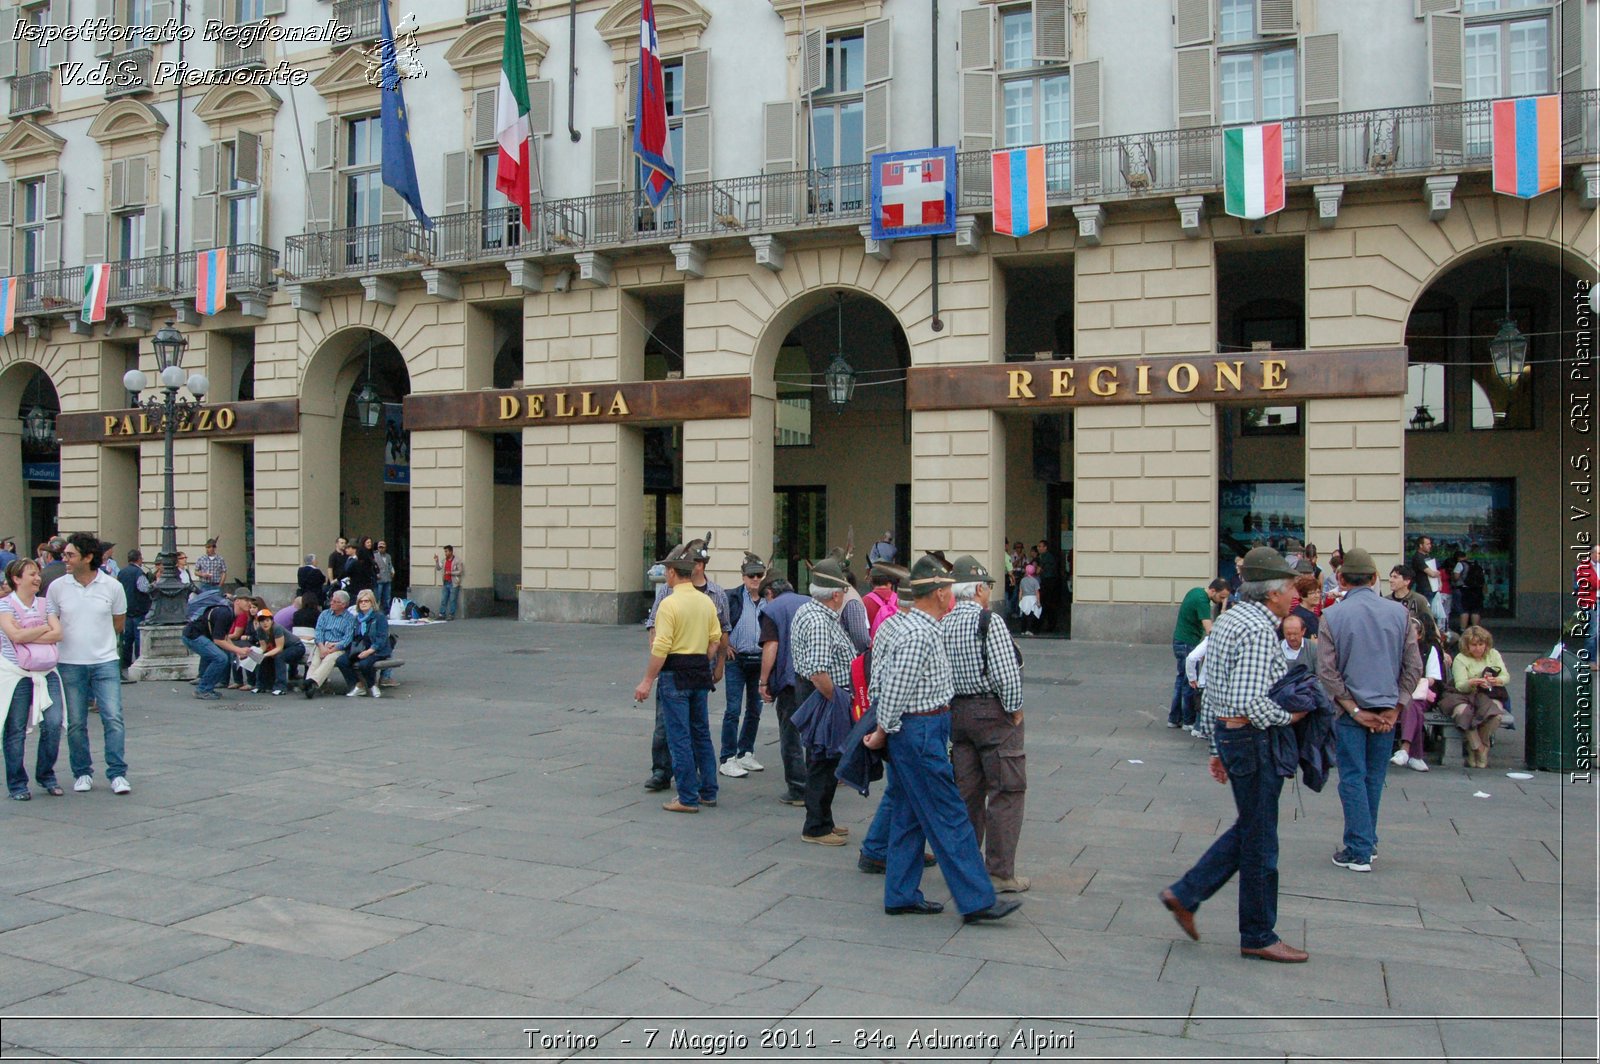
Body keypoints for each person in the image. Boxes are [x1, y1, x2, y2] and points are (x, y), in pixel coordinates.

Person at [1160, 546, 1309, 962]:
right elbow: (1248, 700)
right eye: (1289, 587)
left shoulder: (1230, 619)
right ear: (1273, 593)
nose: (1294, 594)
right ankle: (1258, 934)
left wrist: (1215, 745)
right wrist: (1294, 714)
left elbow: (1214, 689)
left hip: (1233, 737)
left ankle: (1187, 894)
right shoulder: (1260, 628)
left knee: (1253, 828)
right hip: (1253, 740)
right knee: (1261, 840)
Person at [864, 555, 1020, 924]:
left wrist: (887, 729)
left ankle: (900, 893)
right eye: (948, 589)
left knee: (907, 813)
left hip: (918, 729)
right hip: (920, 730)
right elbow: (896, 688)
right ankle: (977, 899)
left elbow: (881, 678)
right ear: (937, 593)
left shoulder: (908, 626)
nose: (952, 595)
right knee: (951, 816)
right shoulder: (920, 632)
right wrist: (882, 731)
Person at [1318, 548, 1422, 874]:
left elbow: (1327, 672)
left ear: (1342, 579)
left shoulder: (1332, 615)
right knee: (1374, 778)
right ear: (1376, 578)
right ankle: (1367, 841)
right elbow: (1413, 666)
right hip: (1387, 708)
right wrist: (1398, 706)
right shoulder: (1399, 613)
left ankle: (1359, 848)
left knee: (1352, 777)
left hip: (1352, 710)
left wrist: (1351, 707)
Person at [943, 556, 1028, 893]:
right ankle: (1000, 872)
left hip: (958, 714)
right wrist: (1015, 709)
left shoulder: (945, 623)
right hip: (992, 714)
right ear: (979, 589)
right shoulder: (988, 622)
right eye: (988, 586)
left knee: (967, 794)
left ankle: (965, 868)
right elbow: (1006, 674)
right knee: (1007, 790)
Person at [633, 542, 723, 813]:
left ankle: (687, 796)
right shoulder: (706, 601)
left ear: (673, 573)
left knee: (679, 737)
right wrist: (702, 660)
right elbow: (715, 640)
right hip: (698, 673)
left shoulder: (669, 604)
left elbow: (660, 648)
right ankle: (708, 790)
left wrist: (647, 680)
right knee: (701, 733)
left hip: (675, 674)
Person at [47, 533, 130, 795]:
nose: (65, 559)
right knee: (75, 722)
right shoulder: (58, 587)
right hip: (69, 661)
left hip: (104, 660)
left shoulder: (112, 586)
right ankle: (82, 772)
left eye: (70, 555)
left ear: (88, 557)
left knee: (113, 717)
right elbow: (53, 623)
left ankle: (117, 774)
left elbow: (119, 624)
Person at [789, 557, 857, 845]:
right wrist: (838, 701)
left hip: (821, 693)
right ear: (836, 594)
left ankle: (823, 819)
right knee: (822, 761)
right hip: (825, 694)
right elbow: (819, 672)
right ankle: (815, 827)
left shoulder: (811, 611)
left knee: (824, 759)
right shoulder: (819, 620)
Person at [1, 558, 65, 800]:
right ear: (16, 579)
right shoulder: (4, 605)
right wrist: (41, 629)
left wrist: (28, 632)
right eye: (31, 574)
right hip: (17, 674)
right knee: (15, 729)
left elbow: (58, 633)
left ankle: (46, 774)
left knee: (54, 723)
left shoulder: (44, 603)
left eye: (37, 573)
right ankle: (17, 783)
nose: (38, 578)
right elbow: (14, 635)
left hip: (47, 671)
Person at [757, 574, 810, 808]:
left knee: (790, 735)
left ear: (769, 593)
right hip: (816, 677)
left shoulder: (773, 610)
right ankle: (819, 783)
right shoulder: (810, 602)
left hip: (790, 681)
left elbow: (771, 645)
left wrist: (763, 681)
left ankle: (798, 787)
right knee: (815, 733)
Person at [719, 553, 768, 779]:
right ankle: (727, 757)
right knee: (733, 709)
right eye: (751, 576)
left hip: (759, 659)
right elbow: (719, 621)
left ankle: (745, 751)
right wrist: (724, 645)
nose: (755, 579)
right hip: (737, 660)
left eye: (759, 575)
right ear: (743, 577)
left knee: (755, 709)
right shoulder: (733, 597)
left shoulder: (769, 597)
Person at [1441, 625, 1508, 769]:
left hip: (1488, 693)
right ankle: (1480, 750)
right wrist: (1472, 682)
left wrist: (1497, 680)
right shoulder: (1460, 658)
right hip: (1462, 694)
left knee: (1495, 714)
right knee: (1463, 713)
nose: (1478, 648)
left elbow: (1505, 676)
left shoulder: (1493, 654)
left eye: (1481, 644)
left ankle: (1476, 747)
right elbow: (1460, 685)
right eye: (1473, 645)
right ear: (1467, 645)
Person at [1170, 579, 1229, 729]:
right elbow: (1210, 630)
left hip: (1180, 640)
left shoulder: (1195, 591)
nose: (1222, 601)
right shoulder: (1202, 601)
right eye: (1221, 597)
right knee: (1191, 682)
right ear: (1213, 591)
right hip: (1187, 643)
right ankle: (1189, 721)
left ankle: (1174, 717)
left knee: (1180, 680)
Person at [1391, 617, 1439, 773]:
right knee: (1412, 707)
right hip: (1397, 691)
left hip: (1420, 692)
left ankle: (1405, 748)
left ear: (1419, 635)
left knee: (1411, 704)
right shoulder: (1395, 649)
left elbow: (1434, 677)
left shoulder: (1428, 649)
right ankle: (1415, 755)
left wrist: (1417, 679)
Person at [183, 589, 249, 700]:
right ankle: (203, 689)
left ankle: (207, 687)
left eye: (250, 600)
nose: (249, 603)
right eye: (246, 600)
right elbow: (218, 640)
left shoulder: (230, 612)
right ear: (237, 601)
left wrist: (236, 650)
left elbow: (225, 636)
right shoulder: (225, 613)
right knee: (220, 658)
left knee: (219, 657)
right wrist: (238, 650)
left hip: (196, 635)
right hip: (193, 636)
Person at [303, 590, 357, 698]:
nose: (331, 603)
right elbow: (319, 631)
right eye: (332, 600)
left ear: (343, 605)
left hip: (338, 647)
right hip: (322, 644)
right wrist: (322, 647)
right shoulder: (324, 614)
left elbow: (347, 639)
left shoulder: (350, 619)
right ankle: (309, 685)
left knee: (329, 659)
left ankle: (311, 682)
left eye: (335, 601)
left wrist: (333, 648)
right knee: (315, 661)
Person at [338, 589, 391, 699]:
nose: (363, 603)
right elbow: (354, 636)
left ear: (372, 602)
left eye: (366, 601)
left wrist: (369, 651)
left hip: (376, 649)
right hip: (359, 648)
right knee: (341, 661)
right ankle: (358, 685)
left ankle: (372, 686)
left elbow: (382, 638)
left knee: (364, 664)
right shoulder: (357, 618)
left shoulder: (379, 617)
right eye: (361, 601)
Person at [246, 607, 305, 696]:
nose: (265, 623)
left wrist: (265, 655)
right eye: (262, 621)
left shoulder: (277, 628)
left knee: (279, 657)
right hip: (282, 648)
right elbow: (263, 647)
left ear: (271, 620)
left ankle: (281, 687)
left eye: (267, 620)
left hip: (296, 647)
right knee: (261, 659)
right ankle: (261, 685)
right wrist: (255, 652)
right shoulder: (259, 630)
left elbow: (279, 648)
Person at [1388, 565, 1440, 657]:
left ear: (1407, 581)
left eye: (1395, 577)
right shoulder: (1385, 601)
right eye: (1391, 576)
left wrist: (1440, 648)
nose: (1391, 580)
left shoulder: (1419, 599)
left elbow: (1431, 623)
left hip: (1415, 646)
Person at [116, 549, 151, 681]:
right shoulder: (139, 572)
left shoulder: (122, 572)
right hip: (138, 608)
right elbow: (144, 588)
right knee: (138, 638)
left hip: (126, 608)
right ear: (138, 559)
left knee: (126, 638)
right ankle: (137, 660)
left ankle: (125, 662)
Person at [862, 562, 905, 640]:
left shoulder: (865, 601)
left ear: (871, 580)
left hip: (874, 647)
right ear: (890, 581)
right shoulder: (900, 600)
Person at [1573, 546, 1599, 673]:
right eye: (1598, 553)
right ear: (1592, 554)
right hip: (1590, 602)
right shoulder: (1584, 567)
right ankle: (1591, 660)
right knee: (1592, 631)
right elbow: (1589, 584)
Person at [1454, 551, 1485, 632]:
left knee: (1464, 610)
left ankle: (1463, 630)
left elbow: (1456, 576)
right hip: (1477, 590)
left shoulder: (1460, 564)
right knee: (1476, 611)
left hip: (1465, 590)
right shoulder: (1477, 564)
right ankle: (1475, 630)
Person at [1035, 540, 1061, 633]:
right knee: (1049, 604)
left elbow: (1039, 570)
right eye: (1038, 546)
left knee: (1046, 603)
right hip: (1050, 581)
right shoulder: (1047, 556)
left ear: (1045, 547)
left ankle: (1046, 625)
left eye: (1040, 546)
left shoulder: (1045, 557)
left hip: (1048, 581)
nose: (1039, 548)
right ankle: (1050, 624)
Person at [433, 545, 463, 621]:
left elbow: (460, 571)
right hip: (445, 582)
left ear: (451, 552)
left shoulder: (457, 560)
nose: (445, 553)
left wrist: (451, 573)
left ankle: (451, 615)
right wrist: (437, 561)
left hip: (453, 583)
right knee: (444, 599)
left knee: (452, 599)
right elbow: (438, 568)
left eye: (446, 551)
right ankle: (441, 614)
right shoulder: (444, 560)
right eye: (445, 551)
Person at [1408, 535, 1436, 606]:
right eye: (1427, 544)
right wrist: (1436, 573)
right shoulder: (1418, 557)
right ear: (1421, 545)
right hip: (1423, 588)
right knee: (1425, 610)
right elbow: (1431, 573)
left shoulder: (1427, 556)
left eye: (1430, 544)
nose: (1430, 546)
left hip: (1431, 587)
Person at [1015, 564, 1042, 636]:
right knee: (1031, 616)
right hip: (1032, 599)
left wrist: (1019, 600)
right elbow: (1037, 592)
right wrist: (1038, 602)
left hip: (1024, 599)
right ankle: (1029, 630)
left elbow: (1020, 591)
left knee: (1024, 615)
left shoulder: (1022, 580)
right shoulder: (1035, 581)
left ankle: (1022, 630)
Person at [374, 540, 395, 610]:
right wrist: (376, 574)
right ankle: (377, 610)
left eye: (382, 547)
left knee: (387, 596)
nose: (381, 549)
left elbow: (390, 565)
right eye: (380, 547)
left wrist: (392, 571)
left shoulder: (388, 556)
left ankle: (387, 610)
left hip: (387, 578)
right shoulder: (374, 556)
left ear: (385, 548)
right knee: (378, 596)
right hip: (379, 579)